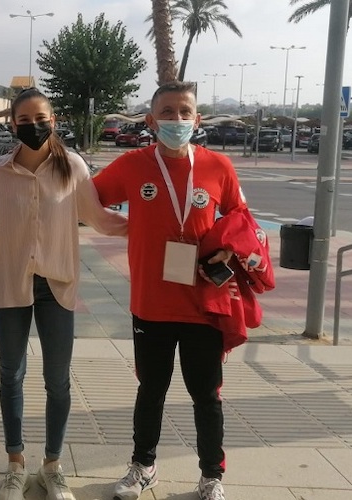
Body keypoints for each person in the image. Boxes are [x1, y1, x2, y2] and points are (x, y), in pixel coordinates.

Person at [92, 81, 248, 500]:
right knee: (151, 390)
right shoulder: (131, 165)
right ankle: (143, 466)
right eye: (166, 112)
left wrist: (229, 250)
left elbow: (241, 220)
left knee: (206, 395)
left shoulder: (218, 167)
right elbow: (88, 199)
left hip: (203, 304)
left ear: (197, 120)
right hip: (151, 304)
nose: (175, 120)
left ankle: (211, 475)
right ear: (150, 120)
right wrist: (124, 226)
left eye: (184, 112)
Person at [0, 88, 128, 500]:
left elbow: (98, 218)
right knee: (11, 374)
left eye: (40, 118)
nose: (33, 126)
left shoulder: (73, 168)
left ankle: (52, 465)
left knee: (57, 380)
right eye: (23, 120)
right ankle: (15, 465)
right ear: (12, 124)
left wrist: (146, 226)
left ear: (54, 119)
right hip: (11, 281)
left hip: (57, 284)